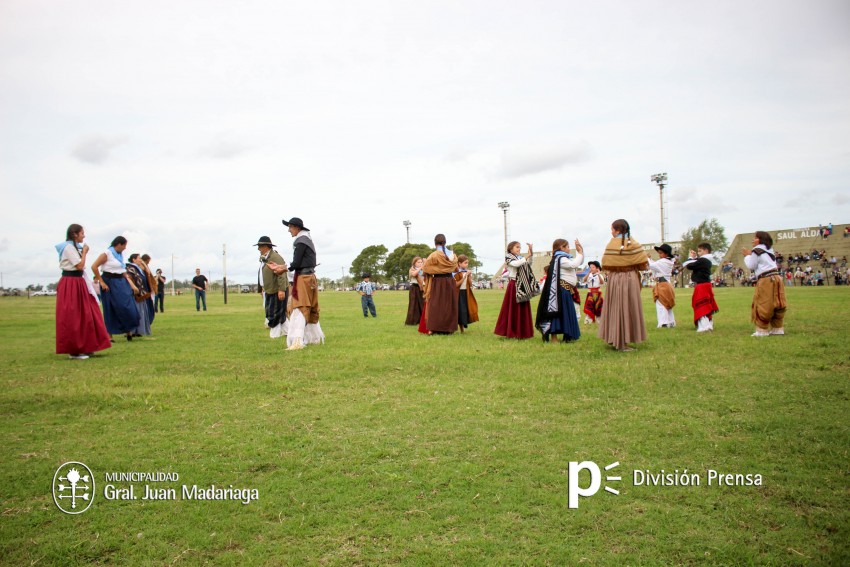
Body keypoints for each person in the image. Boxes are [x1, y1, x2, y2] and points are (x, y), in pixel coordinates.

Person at [55, 224, 111, 359]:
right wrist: (85, 252)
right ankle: (74, 349)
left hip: (79, 282)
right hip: (71, 283)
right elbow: (80, 265)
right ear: (74, 234)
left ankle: (87, 345)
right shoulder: (68, 247)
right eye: (82, 233)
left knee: (87, 313)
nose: (84, 236)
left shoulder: (74, 248)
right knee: (73, 316)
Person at [269, 217, 324, 350]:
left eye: (290, 227)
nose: (289, 230)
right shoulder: (306, 240)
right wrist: (283, 267)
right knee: (310, 308)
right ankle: (313, 338)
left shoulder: (300, 241)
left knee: (299, 307)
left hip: (304, 279)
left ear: (297, 228)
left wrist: (282, 268)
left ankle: (297, 341)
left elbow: (297, 263)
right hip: (309, 277)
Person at [597, 219, 648, 351]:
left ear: (618, 230)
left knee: (616, 307)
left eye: (612, 229)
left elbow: (606, 264)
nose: (611, 232)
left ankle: (615, 338)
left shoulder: (611, 244)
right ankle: (621, 342)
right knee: (626, 307)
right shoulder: (634, 244)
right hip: (630, 278)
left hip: (615, 278)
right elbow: (643, 263)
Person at [91, 236, 141, 341]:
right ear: (119, 244)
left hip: (121, 281)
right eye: (124, 245)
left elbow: (123, 271)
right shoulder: (107, 253)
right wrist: (102, 282)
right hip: (109, 281)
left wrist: (132, 285)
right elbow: (94, 266)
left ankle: (128, 330)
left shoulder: (120, 255)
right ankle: (109, 335)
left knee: (128, 306)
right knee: (110, 307)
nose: (125, 248)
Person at [536, 238, 584, 343]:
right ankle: (554, 338)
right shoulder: (560, 258)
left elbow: (577, 262)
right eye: (567, 246)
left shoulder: (564, 258)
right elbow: (574, 264)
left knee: (565, 313)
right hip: (560, 290)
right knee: (556, 313)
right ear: (561, 247)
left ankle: (567, 335)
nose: (569, 248)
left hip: (565, 290)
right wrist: (579, 253)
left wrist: (580, 252)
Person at [741, 231, 788, 336]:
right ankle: (778, 328)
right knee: (778, 303)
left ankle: (762, 330)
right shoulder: (769, 250)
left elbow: (752, 266)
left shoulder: (756, 250)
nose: (753, 240)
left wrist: (747, 256)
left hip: (766, 279)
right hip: (777, 278)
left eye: (755, 238)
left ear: (760, 239)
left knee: (764, 303)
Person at [494, 241, 536, 339]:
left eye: (520, 247)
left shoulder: (520, 258)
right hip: (514, 285)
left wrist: (530, 253)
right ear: (511, 249)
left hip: (522, 285)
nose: (519, 249)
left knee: (522, 309)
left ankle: (523, 332)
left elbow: (529, 263)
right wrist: (526, 256)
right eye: (517, 247)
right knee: (513, 309)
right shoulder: (509, 257)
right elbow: (516, 264)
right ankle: (512, 331)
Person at [420, 234, 459, 334]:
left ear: (435, 243)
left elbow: (425, 269)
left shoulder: (434, 255)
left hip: (438, 282)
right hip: (450, 281)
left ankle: (433, 329)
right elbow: (456, 269)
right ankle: (449, 328)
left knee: (435, 304)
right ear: (445, 242)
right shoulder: (452, 255)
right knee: (449, 304)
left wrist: (435, 270)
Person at [255, 236, 289, 338]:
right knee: (279, 314)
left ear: (266, 246)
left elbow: (281, 274)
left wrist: (281, 290)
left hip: (276, 290)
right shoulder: (265, 258)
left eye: (260, 246)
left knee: (274, 314)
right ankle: (289, 332)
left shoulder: (275, 257)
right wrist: (261, 288)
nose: (258, 249)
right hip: (269, 290)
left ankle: (274, 335)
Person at [683, 242, 719, 332]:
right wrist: (695, 258)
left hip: (702, 285)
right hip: (706, 284)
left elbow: (689, 265)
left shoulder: (703, 260)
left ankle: (705, 325)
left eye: (700, 251)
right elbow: (697, 263)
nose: (698, 253)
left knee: (701, 305)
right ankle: (707, 323)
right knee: (706, 304)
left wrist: (691, 257)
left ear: (706, 250)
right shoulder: (706, 260)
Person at [648, 243, 677, 328]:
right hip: (666, 284)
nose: (659, 255)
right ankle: (671, 321)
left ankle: (664, 322)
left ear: (666, 253)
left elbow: (652, 265)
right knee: (667, 303)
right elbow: (655, 264)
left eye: (661, 253)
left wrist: (647, 258)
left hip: (663, 284)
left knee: (661, 303)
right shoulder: (668, 261)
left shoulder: (663, 262)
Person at [125, 254, 153, 337]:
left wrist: (143, 263)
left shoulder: (138, 268)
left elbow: (148, 272)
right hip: (135, 294)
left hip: (142, 293)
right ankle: (133, 330)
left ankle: (138, 331)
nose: (140, 259)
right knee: (136, 311)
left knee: (141, 311)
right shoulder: (130, 268)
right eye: (139, 258)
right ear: (134, 259)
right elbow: (129, 277)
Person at [454, 254, 479, 333]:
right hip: (459, 294)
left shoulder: (467, 272)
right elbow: (456, 285)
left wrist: (469, 277)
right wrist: (464, 277)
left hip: (466, 293)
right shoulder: (456, 273)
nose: (466, 264)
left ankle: (465, 323)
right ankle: (461, 329)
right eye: (465, 263)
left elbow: (470, 284)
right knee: (460, 311)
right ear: (459, 263)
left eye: (467, 263)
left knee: (467, 309)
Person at [405, 257, 425, 326]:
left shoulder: (424, 270)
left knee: (422, 304)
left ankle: (423, 320)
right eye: (418, 262)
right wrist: (420, 268)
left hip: (422, 288)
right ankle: (412, 321)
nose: (420, 264)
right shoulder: (412, 269)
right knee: (413, 304)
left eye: (421, 262)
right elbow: (414, 274)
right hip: (414, 288)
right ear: (414, 263)